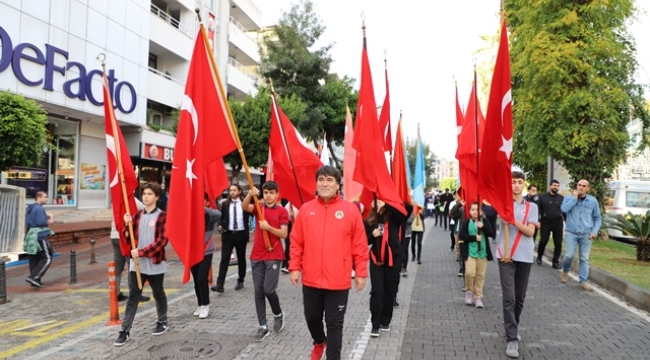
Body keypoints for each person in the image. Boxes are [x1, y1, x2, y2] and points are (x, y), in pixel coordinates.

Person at [289, 166, 368, 360]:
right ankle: (319, 341)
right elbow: (296, 241)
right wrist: (294, 266)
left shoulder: (350, 210)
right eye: (321, 179)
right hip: (311, 279)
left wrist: (361, 272)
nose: (325, 183)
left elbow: (360, 244)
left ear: (337, 184)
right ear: (316, 183)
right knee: (312, 318)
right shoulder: (306, 210)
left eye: (329, 180)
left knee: (334, 325)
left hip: (338, 281)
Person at [114, 182, 169, 346]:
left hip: (154, 262)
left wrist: (143, 252)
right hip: (136, 263)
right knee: (133, 296)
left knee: (158, 292)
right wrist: (126, 225)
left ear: (157, 197)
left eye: (150, 194)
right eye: (144, 194)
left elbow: (162, 241)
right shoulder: (137, 216)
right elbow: (128, 239)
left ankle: (162, 320)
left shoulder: (162, 216)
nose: (146, 197)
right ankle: (125, 330)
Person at [496, 171, 538, 358]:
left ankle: (513, 326)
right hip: (506, 256)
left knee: (519, 298)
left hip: (525, 255)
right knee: (509, 298)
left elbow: (530, 232)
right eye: (513, 182)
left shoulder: (532, 207)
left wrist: (512, 221)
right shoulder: (502, 205)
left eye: (519, 182)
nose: (516, 185)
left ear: (524, 185)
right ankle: (512, 338)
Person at [242, 182, 289, 342]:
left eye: (271, 192)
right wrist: (250, 194)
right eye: (266, 192)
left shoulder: (282, 211)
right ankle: (262, 326)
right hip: (257, 255)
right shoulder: (258, 207)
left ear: (277, 194)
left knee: (269, 290)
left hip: (274, 254)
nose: (268, 195)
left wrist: (268, 228)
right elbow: (244, 206)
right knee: (258, 291)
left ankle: (278, 313)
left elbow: (283, 234)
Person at [365, 198, 412, 338]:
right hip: (377, 260)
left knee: (389, 291)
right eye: (376, 200)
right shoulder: (370, 219)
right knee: (377, 291)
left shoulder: (394, 216)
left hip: (394, 259)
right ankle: (375, 324)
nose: (378, 203)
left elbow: (408, 208)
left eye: (380, 201)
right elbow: (363, 240)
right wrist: (372, 236)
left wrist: (387, 202)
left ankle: (385, 321)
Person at [560, 179, 601, 292]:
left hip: (586, 234)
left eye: (584, 186)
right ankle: (566, 270)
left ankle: (583, 281)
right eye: (579, 185)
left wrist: (594, 231)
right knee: (569, 255)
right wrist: (574, 198)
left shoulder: (593, 201)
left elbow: (597, 218)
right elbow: (563, 209)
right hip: (571, 232)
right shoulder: (568, 198)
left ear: (588, 188)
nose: (581, 187)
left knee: (584, 258)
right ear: (576, 186)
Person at [212, 184, 250, 293]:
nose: (232, 192)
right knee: (224, 259)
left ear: (239, 191)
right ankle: (220, 284)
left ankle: (240, 280)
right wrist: (220, 226)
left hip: (241, 234)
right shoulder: (225, 204)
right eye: (230, 190)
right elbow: (220, 217)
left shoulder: (244, 203)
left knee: (241, 258)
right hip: (228, 235)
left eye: (234, 190)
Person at [110, 198, 149, 302]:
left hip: (114, 235)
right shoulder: (130, 199)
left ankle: (115, 293)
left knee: (118, 266)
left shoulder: (115, 199)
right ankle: (134, 293)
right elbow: (145, 209)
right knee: (132, 264)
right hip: (124, 237)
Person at [458, 202, 495, 308]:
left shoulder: (484, 221)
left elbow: (492, 234)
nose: (475, 212)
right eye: (473, 209)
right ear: (469, 211)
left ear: (481, 212)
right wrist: (474, 238)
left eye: (477, 209)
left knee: (480, 276)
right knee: (469, 273)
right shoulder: (466, 222)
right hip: (470, 253)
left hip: (482, 253)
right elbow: (462, 235)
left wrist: (483, 227)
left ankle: (478, 296)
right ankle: (469, 291)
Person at [191, 193, 221, 319]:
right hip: (193, 251)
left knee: (202, 278)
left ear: (207, 202)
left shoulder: (209, 214)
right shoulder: (190, 214)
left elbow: (218, 214)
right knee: (196, 280)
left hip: (206, 250)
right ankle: (199, 304)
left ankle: (205, 304)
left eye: (201, 200)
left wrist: (203, 209)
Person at [24, 191, 54, 288]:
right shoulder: (39, 208)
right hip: (39, 236)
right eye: (45, 197)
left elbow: (27, 224)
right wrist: (50, 220)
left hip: (30, 236)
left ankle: (35, 282)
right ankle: (33, 277)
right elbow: (41, 222)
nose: (47, 199)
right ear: (39, 197)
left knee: (34, 258)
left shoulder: (30, 208)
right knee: (47, 257)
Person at [537, 180, 564, 268]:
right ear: (550, 186)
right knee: (543, 241)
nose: (556, 187)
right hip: (545, 222)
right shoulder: (542, 197)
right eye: (554, 185)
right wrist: (538, 221)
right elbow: (538, 210)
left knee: (558, 243)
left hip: (558, 223)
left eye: (557, 186)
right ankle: (539, 256)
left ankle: (555, 262)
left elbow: (565, 211)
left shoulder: (561, 198)